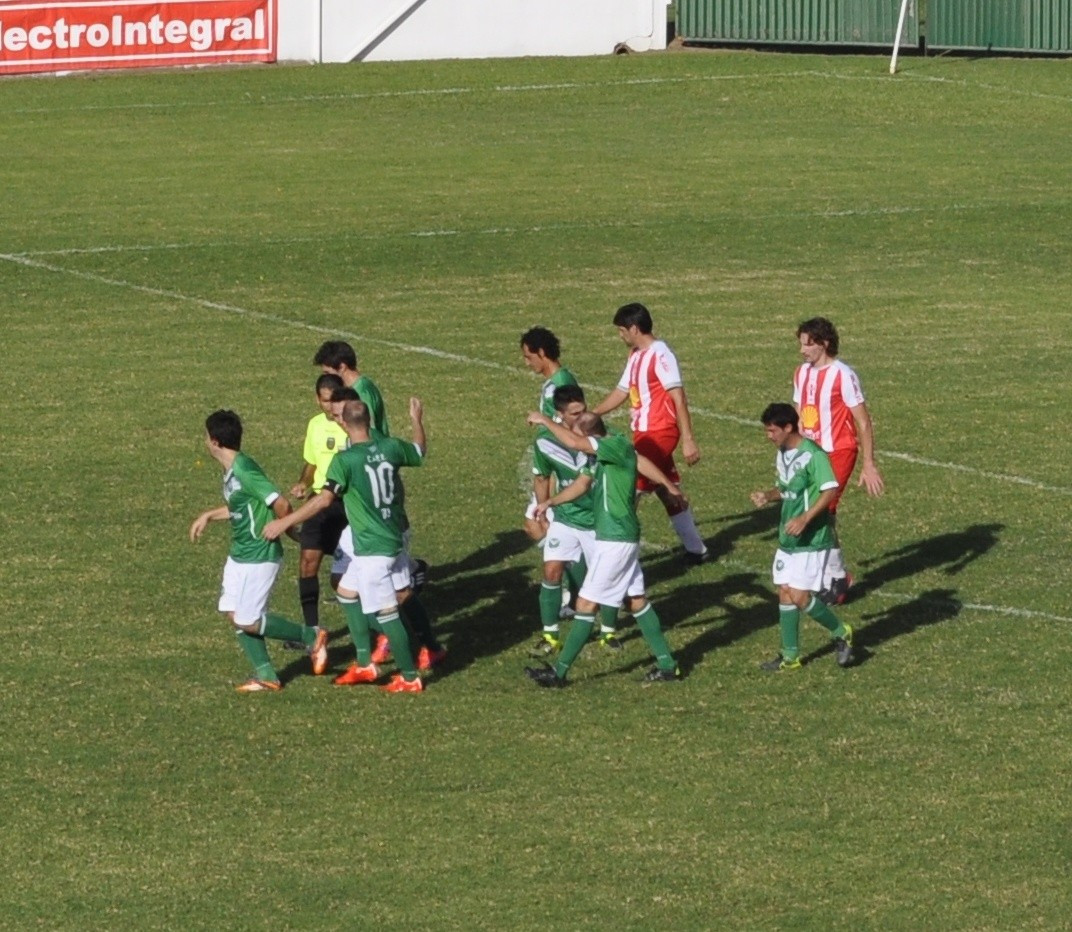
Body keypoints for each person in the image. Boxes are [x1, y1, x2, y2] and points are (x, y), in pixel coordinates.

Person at [264, 398, 427, 693]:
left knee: (387, 612)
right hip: (391, 536)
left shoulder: (346, 460)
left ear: (344, 424)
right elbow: (419, 451)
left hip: (374, 549)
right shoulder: (390, 446)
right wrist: (416, 419)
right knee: (347, 591)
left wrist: (284, 522)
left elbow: (324, 500)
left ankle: (409, 676)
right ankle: (365, 663)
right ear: (368, 421)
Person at [523, 410, 683, 687]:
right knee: (635, 601)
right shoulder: (600, 456)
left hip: (616, 539)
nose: (577, 444)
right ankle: (668, 666)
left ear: (591, 436)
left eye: (580, 436)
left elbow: (575, 443)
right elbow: (582, 484)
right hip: (615, 536)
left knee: (585, 604)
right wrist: (550, 502)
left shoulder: (614, 446)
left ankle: (559, 674)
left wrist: (545, 421)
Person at [189, 410, 328, 692]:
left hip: (260, 554)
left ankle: (311, 637)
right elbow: (242, 506)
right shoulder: (232, 470)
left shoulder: (245, 469)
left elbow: (281, 504)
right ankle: (267, 675)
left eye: (205, 436)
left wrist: (287, 530)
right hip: (240, 553)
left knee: (249, 619)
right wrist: (209, 516)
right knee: (232, 611)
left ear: (214, 441)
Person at [592, 302, 707, 563]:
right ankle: (696, 550)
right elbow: (622, 391)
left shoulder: (661, 355)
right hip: (644, 433)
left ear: (634, 328)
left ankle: (617, 555)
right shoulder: (635, 355)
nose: (620, 336)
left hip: (660, 431)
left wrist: (688, 439)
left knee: (629, 489)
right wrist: (593, 414)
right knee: (667, 489)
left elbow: (678, 397)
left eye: (622, 331)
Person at [749, 403, 854, 671]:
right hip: (789, 537)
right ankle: (790, 657)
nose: (768, 436)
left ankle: (841, 631)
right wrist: (768, 496)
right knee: (784, 592)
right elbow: (787, 490)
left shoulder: (813, 455)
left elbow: (829, 490)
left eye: (772, 431)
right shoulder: (783, 453)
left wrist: (805, 518)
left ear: (788, 427)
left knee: (798, 595)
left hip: (811, 538)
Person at [792, 317, 885, 603]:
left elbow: (863, 421)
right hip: (812, 454)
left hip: (839, 451)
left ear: (824, 343)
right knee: (812, 511)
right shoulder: (801, 373)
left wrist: (868, 464)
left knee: (822, 509)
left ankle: (836, 578)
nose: (802, 350)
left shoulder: (843, 375)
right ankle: (834, 576)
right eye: (801, 344)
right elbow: (799, 413)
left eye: (808, 344)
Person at [528, 384, 620, 654]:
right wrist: (543, 511)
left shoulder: (600, 436)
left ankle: (608, 633)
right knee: (551, 570)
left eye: (583, 410)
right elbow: (542, 477)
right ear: (560, 414)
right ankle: (550, 635)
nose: (582, 417)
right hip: (566, 518)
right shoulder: (544, 442)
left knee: (606, 579)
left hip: (598, 520)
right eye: (574, 413)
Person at [290, 373, 348, 631]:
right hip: (319, 502)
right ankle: (312, 631)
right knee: (307, 562)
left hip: (348, 502)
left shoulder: (352, 424)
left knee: (348, 575)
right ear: (317, 399)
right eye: (325, 400)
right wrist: (303, 482)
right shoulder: (315, 424)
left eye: (333, 400)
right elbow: (312, 461)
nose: (329, 406)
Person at [314, 340, 390, 436]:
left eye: (327, 372)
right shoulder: (355, 388)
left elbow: (369, 431)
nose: (326, 377)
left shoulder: (362, 393)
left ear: (342, 367)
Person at [520, 326, 579, 418]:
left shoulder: (561, 383)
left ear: (541, 352)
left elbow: (571, 421)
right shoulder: (556, 379)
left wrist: (542, 420)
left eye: (529, 357)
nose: (527, 363)